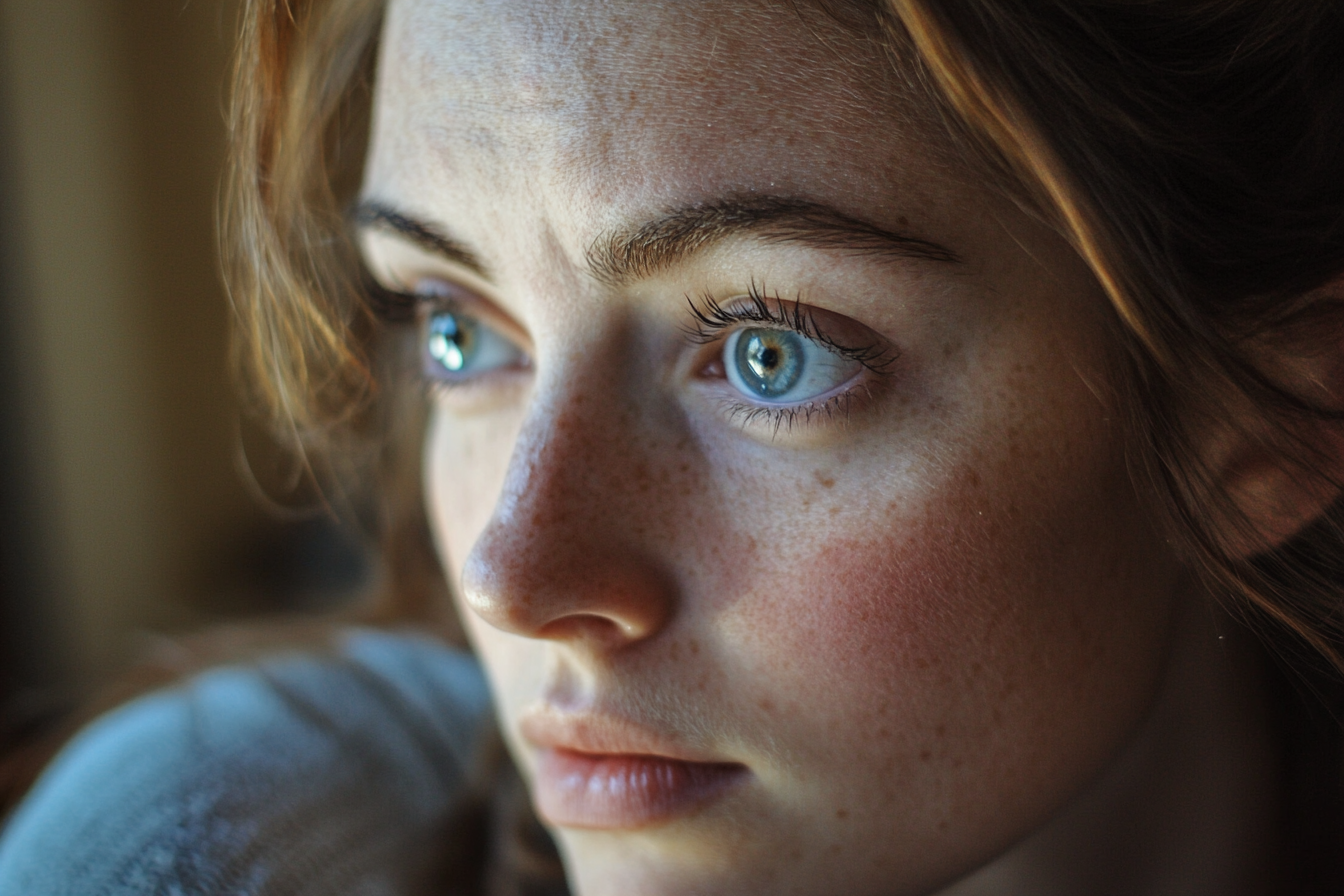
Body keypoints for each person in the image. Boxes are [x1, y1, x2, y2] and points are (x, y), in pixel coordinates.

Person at [1, 0, 1343, 893]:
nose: (511, 577)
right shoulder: (212, 843)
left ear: (1271, 425)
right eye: (458, 329)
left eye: (773, 350)